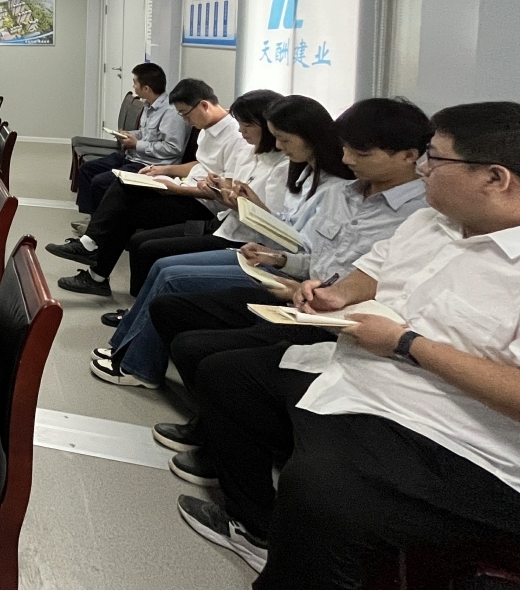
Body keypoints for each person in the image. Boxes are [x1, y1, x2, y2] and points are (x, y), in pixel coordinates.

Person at [178, 102, 520, 586]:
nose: (424, 169)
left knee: (321, 488)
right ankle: (253, 527)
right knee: (227, 376)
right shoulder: (431, 223)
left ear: (495, 178)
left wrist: (406, 344)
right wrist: (336, 295)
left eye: (436, 159)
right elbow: (373, 270)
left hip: (450, 432)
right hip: (358, 371)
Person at [128, 99, 431, 486]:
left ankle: (224, 446)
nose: (347, 159)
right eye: (345, 148)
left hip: (332, 321)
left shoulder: (418, 217)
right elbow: (315, 257)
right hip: (297, 295)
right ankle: (214, 424)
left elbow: (380, 286)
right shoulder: (345, 194)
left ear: (409, 156)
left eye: (361, 153)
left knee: (203, 348)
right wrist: (281, 261)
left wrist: (308, 288)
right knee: (172, 308)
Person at [49, 79, 254, 296]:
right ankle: (94, 264)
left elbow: (222, 191)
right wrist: (164, 170)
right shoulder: (206, 127)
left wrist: (174, 189)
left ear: (204, 105)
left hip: (201, 204)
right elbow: (201, 164)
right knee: (124, 187)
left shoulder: (236, 137)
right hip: (184, 189)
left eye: (186, 114)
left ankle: (91, 253)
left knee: (124, 207)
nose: (186, 120)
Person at [73, 63, 190, 214]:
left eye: (135, 82)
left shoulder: (171, 113)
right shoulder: (149, 105)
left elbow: (173, 148)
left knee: (101, 182)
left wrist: (136, 144)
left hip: (149, 164)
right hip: (133, 157)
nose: (133, 86)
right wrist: (130, 135)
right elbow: (146, 133)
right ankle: (91, 217)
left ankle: (102, 221)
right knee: (87, 170)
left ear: (146, 88)